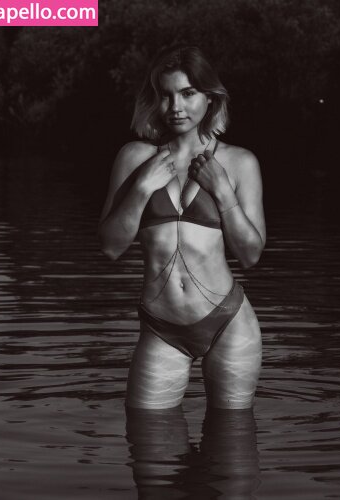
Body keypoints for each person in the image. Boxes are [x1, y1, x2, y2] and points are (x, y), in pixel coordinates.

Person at [99, 46, 265, 410]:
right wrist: (142, 188)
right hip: (161, 328)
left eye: (188, 93)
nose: (176, 106)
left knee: (232, 437)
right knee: (147, 439)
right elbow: (111, 246)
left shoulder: (240, 163)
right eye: (166, 94)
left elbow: (250, 255)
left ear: (210, 98)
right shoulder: (134, 158)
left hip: (229, 323)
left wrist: (224, 193)